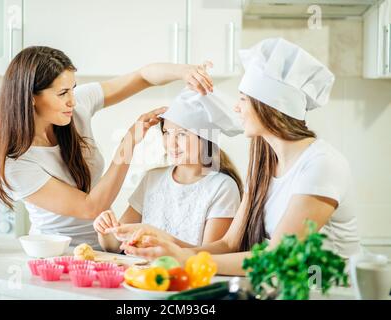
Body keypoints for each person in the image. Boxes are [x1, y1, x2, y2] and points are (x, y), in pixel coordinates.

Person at [111, 38, 360, 275]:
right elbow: (229, 245)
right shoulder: (264, 165)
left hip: (329, 290)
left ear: (270, 106)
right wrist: (167, 247)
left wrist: (184, 258)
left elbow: (277, 257)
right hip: (284, 288)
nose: (236, 107)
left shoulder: (320, 165)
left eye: (243, 99)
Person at [0, 46, 214, 247]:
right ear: (31, 97)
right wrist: (129, 143)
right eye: (62, 93)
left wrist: (184, 72)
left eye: (73, 89)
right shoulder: (16, 163)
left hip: (104, 246)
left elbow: (142, 76)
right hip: (58, 254)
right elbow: (91, 207)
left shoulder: (73, 110)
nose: (73, 100)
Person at [93, 89, 244, 252]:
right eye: (166, 133)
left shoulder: (222, 187)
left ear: (206, 138)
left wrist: (161, 240)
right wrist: (105, 229)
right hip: (141, 274)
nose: (171, 143)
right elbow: (114, 246)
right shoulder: (152, 178)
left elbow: (211, 255)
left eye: (182, 134)